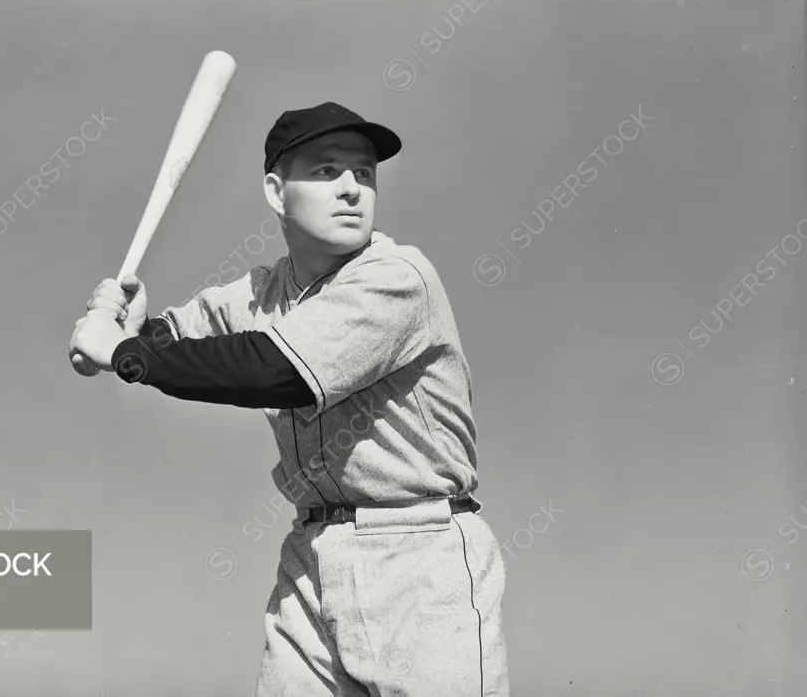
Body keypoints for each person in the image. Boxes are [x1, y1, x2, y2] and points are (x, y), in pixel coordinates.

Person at [68, 101, 510, 696]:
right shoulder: (261, 290)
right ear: (277, 193)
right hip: (312, 557)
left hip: (419, 557)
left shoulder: (398, 277)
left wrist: (125, 353)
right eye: (328, 172)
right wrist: (129, 326)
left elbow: (271, 370)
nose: (352, 189)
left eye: (364, 174)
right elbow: (175, 343)